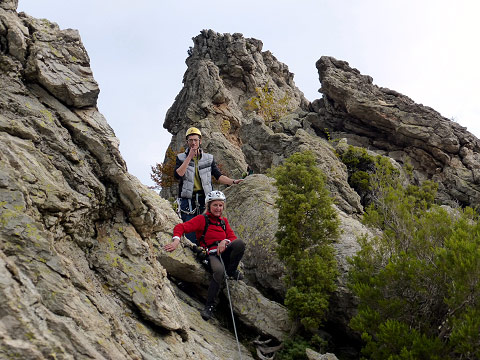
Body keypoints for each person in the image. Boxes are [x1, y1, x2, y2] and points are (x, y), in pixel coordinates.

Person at [164, 190, 245, 321]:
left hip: (223, 253)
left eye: (220, 205)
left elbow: (233, 238)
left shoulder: (224, 222)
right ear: (208, 206)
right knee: (218, 272)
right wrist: (176, 241)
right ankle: (209, 306)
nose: (218, 208)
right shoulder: (202, 219)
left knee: (240, 244)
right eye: (215, 205)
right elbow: (181, 227)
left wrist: (225, 241)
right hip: (210, 254)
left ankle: (231, 271)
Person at [174, 127, 242, 244]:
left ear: (200, 141)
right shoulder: (180, 158)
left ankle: (208, 255)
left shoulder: (208, 158)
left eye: (196, 140)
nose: (193, 143)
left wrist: (233, 181)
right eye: (191, 140)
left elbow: (218, 176)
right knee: (190, 231)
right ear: (187, 142)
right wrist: (189, 157)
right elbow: (178, 174)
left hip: (205, 199)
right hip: (187, 200)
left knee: (208, 229)